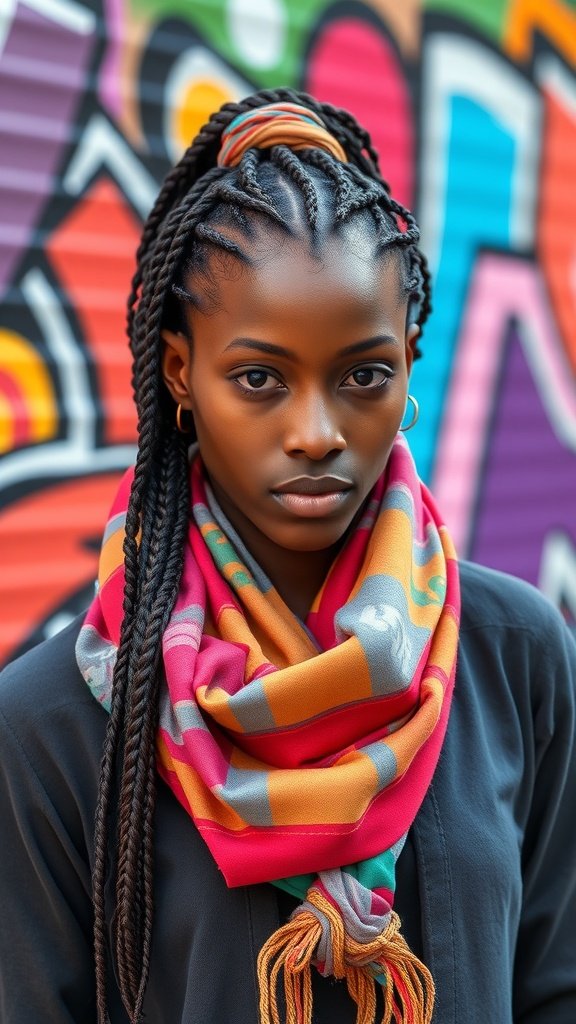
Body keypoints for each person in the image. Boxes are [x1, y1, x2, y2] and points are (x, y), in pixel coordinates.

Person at [0, 88, 575, 1024]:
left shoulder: (517, 658)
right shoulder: (52, 727)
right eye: (260, 377)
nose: (316, 432)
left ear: (410, 363)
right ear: (181, 374)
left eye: (363, 375)